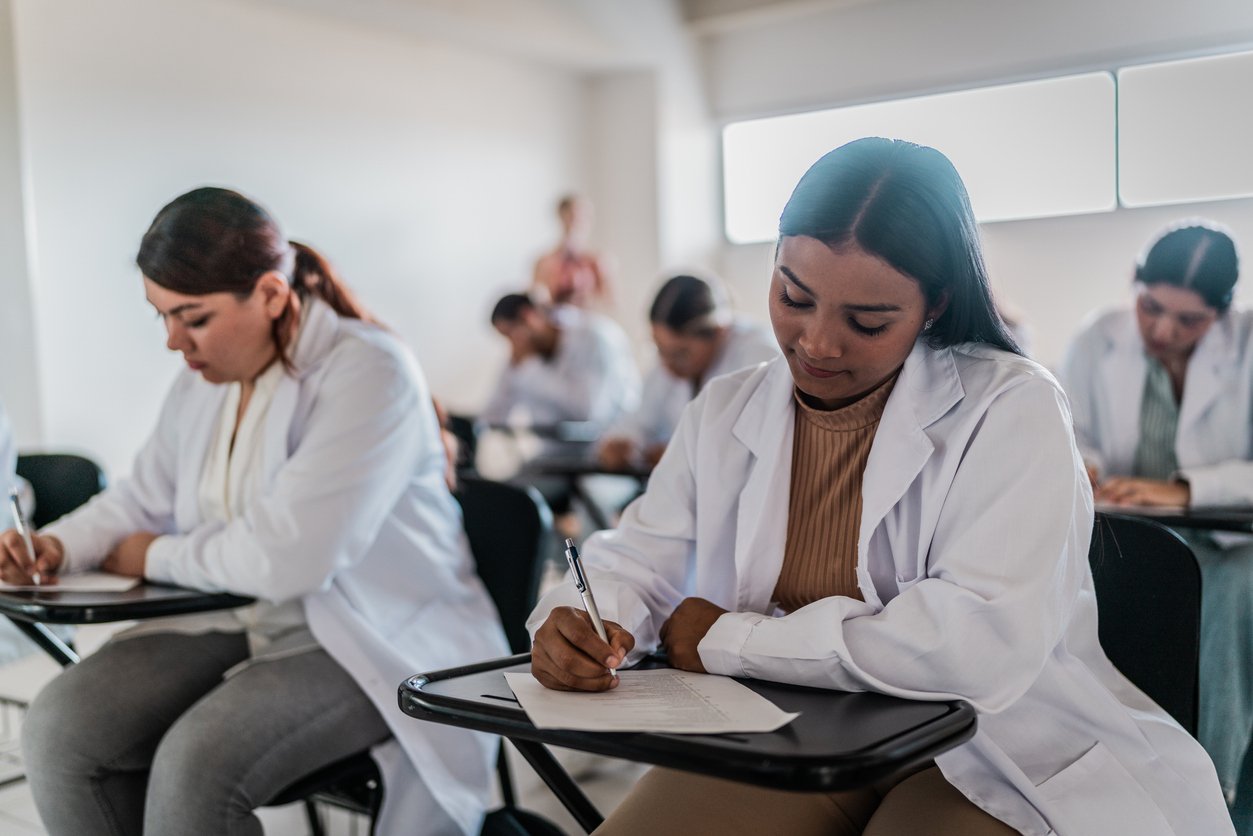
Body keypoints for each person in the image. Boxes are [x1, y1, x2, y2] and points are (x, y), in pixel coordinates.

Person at [526, 138, 1231, 835]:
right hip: (789, 730)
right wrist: (590, 619)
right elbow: (643, 554)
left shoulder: (1009, 405)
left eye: (866, 321)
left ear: (935, 304)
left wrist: (728, 641)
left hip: (991, 748)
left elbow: (973, 648)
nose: (817, 343)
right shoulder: (725, 408)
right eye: (792, 297)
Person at [1, 187, 508, 836]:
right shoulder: (203, 379)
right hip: (247, 615)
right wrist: (58, 545)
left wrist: (149, 552)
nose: (173, 342)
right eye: (162, 317)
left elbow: (288, 558)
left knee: (193, 772)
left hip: (375, 632)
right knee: (58, 730)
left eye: (193, 317)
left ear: (270, 295)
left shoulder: (368, 372)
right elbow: (142, 493)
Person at [1060, 221, 1253, 822]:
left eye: (1189, 320)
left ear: (1221, 316)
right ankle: (1096, 772)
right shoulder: (1096, 339)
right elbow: (1071, 433)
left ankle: (1210, 786)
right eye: (1152, 308)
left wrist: (1180, 489)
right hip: (1127, 530)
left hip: (1229, 539)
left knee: (1227, 592)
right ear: (1133, 286)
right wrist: (1084, 466)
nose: (1165, 330)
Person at [598, 274, 778, 472]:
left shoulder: (758, 354)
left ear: (719, 332)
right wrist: (622, 444)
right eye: (660, 350)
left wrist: (679, 454)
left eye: (680, 353)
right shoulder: (667, 366)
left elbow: (749, 443)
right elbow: (639, 422)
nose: (667, 365)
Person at [480, 293, 639, 434]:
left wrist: (531, 368)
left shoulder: (594, 337)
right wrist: (517, 369)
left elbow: (589, 411)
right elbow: (493, 417)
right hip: (552, 453)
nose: (512, 344)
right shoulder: (523, 356)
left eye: (511, 334)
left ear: (528, 317)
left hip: (602, 450)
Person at [531, 193, 613, 309]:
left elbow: (610, 302)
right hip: (557, 322)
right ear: (561, 216)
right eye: (573, 215)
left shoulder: (598, 260)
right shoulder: (544, 262)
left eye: (585, 216)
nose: (578, 220)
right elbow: (537, 300)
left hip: (589, 320)